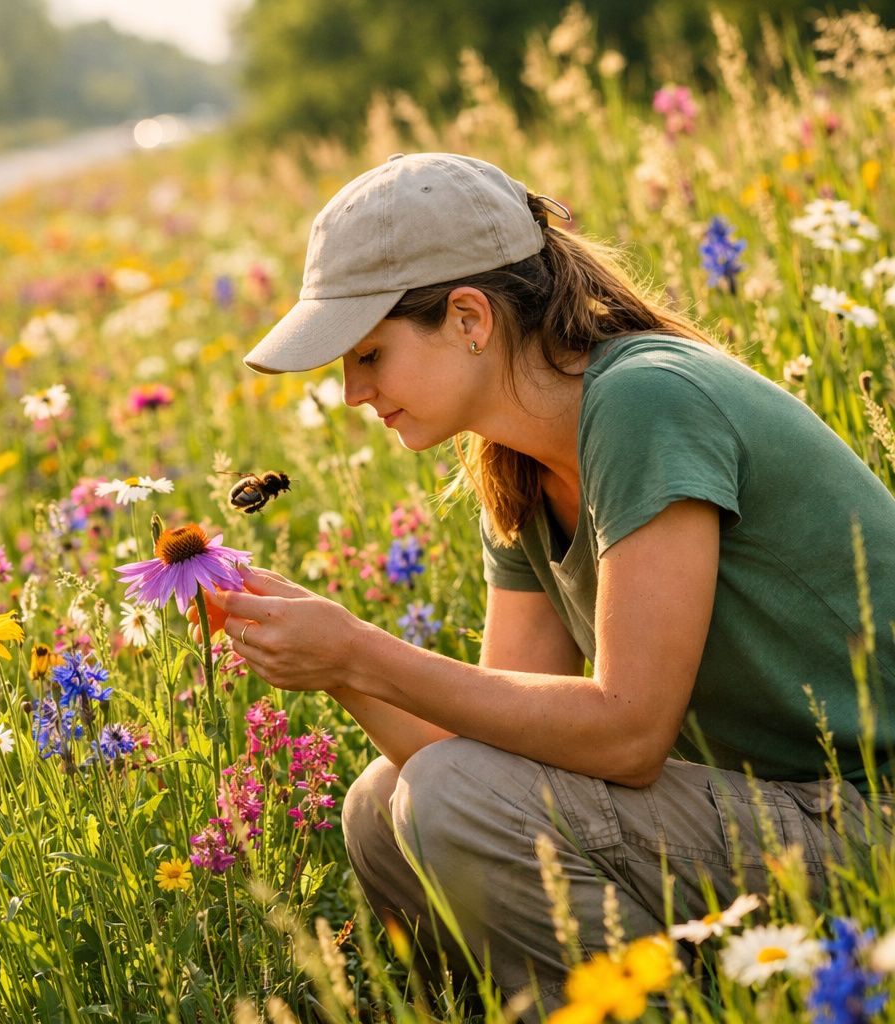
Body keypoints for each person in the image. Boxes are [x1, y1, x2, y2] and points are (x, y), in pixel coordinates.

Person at [205, 152, 895, 1014]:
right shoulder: (519, 462)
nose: (351, 392)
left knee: (452, 798)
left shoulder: (646, 401)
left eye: (369, 353)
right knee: (381, 808)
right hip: (782, 812)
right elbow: (478, 745)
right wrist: (338, 664)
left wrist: (362, 649)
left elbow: (629, 732)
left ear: (468, 318)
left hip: (869, 820)